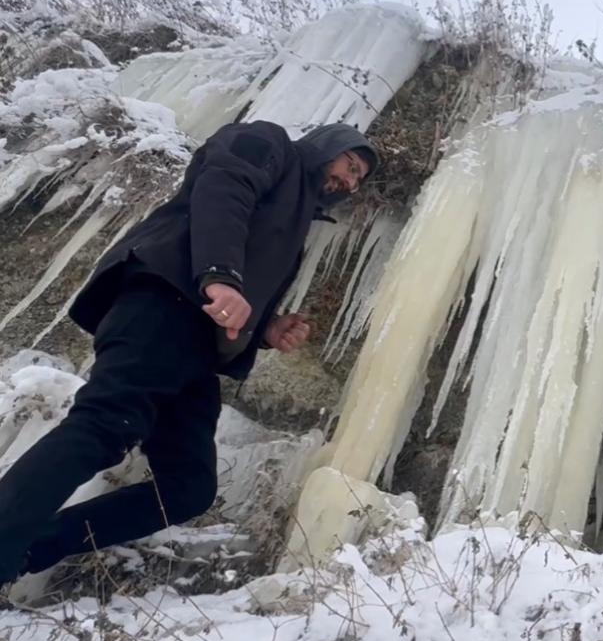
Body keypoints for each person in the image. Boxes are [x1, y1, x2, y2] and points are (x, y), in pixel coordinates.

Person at [0, 120, 379, 585]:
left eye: (358, 180)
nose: (351, 181)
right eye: (351, 165)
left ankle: (26, 551)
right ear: (329, 147)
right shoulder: (267, 143)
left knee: (187, 489)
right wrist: (219, 275)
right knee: (102, 427)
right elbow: (223, 189)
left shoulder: (296, 216)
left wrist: (265, 329)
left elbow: (242, 287)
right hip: (162, 303)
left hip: (197, 345)